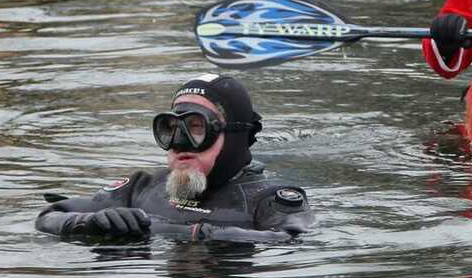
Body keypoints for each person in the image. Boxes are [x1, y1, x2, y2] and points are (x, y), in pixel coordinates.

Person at [36, 73, 314, 243]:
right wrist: (91, 224)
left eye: (196, 127)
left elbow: (289, 241)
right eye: (170, 129)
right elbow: (50, 216)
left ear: (235, 136)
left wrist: (179, 233)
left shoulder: (270, 199)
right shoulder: (142, 186)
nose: (179, 143)